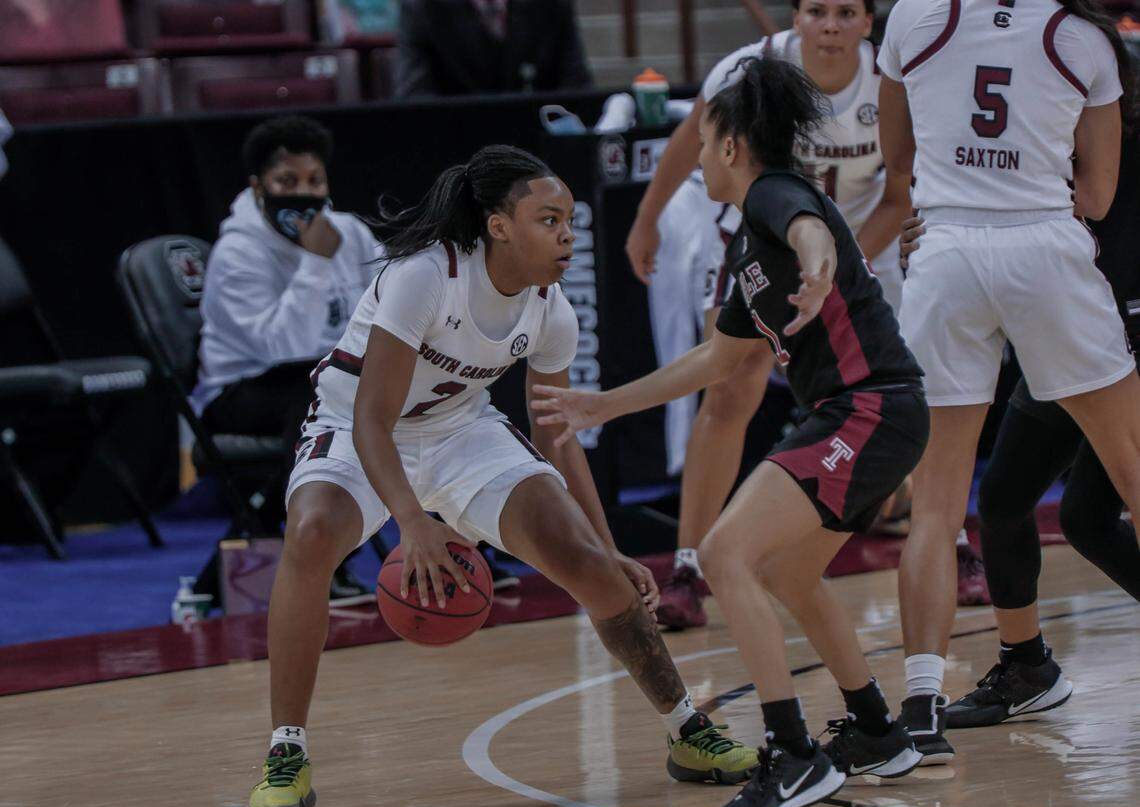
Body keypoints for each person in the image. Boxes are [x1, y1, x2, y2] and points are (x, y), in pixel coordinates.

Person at [247, 145, 759, 807]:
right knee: (311, 533)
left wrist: (603, 546)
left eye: (571, 221)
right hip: (355, 427)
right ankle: (286, 751)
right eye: (549, 219)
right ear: (498, 225)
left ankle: (687, 729)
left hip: (463, 430)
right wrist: (413, 521)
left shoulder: (553, 311)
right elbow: (374, 419)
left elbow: (555, 432)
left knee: (585, 565)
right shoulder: (424, 276)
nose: (567, 235)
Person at [533, 57, 926, 807]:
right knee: (786, 573)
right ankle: (878, 728)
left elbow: (812, 229)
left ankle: (796, 755)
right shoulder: (749, 247)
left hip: (869, 407)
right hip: (865, 413)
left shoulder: (777, 194)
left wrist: (819, 266)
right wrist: (604, 405)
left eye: (705, 143)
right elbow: (720, 358)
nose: (699, 160)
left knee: (722, 553)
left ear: (734, 148)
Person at [877, 0, 1140, 765]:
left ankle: (921, 706)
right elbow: (1095, 198)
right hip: (1044, 249)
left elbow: (898, 160)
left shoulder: (913, 17)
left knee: (935, 506)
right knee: (1130, 466)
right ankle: (1017, 666)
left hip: (947, 251)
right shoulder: (1081, 34)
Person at [630, 0, 933, 631]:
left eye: (845, 12)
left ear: (867, 24)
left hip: (854, 239)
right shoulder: (752, 68)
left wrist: (839, 269)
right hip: (759, 237)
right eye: (816, 10)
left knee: (919, 379)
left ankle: (946, 540)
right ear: (795, 19)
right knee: (730, 386)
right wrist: (647, 218)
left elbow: (899, 196)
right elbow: (691, 140)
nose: (829, 24)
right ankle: (688, 566)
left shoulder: (892, 82)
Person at [187, 115, 377, 610]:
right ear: (258, 187)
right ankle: (321, 562)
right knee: (320, 397)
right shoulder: (237, 253)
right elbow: (283, 346)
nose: (305, 194)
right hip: (240, 390)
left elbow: (388, 306)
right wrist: (314, 263)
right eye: (287, 182)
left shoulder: (350, 234)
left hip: (327, 379)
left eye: (314, 181)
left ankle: (465, 544)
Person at [394, 0, 592, 98]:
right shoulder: (421, 7)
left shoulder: (551, 5)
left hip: (539, 162)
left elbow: (578, 92)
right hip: (455, 161)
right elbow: (416, 103)